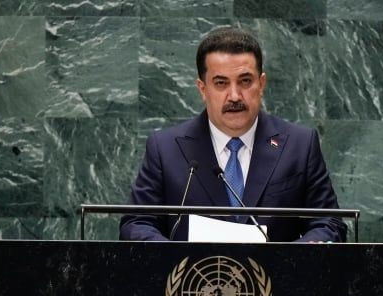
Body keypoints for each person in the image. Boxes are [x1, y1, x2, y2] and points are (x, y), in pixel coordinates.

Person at [119, 27, 346, 242]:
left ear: (261, 83)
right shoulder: (165, 149)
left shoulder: (300, 145)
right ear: (203, 89)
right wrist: (175, 257)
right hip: (192, 281)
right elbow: (137, 224)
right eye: (221, 83)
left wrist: (291, 259)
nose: (235, 96)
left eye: (245, 81)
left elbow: (329, 224)